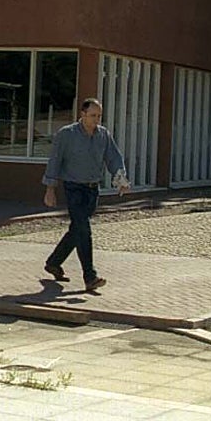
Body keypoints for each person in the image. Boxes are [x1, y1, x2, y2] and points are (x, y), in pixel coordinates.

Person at [42, 97, 129, 292]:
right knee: (84, 229)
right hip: (73, 188)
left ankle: (54, 262)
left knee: (78, 230)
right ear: (82, 114)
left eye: (99, 116)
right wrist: (50, 188)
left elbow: (113, 157)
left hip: (92, 189)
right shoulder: (67, 134)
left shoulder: (103, 135)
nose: (96, 119)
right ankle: (90, 276)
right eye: (92, 115)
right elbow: (55, 160)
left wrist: (121, 179)